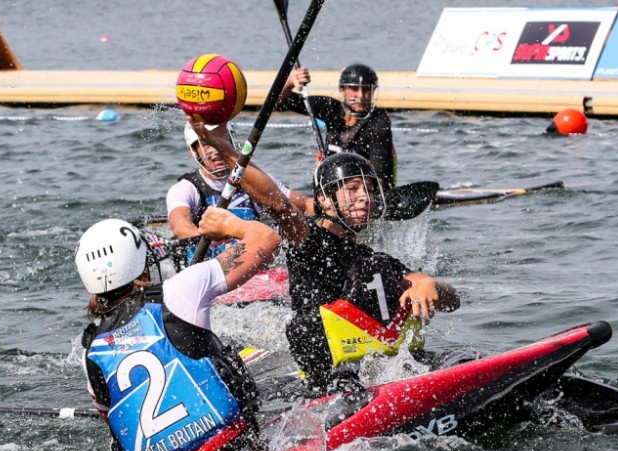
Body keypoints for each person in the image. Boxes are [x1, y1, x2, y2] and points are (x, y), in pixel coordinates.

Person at [191, 121, 459, 395]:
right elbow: (276, 203)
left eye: (368, 189)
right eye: (352, 189)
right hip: (326, 375)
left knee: (377, 266)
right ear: (325, 199)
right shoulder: (308, 241)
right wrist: (225, 148)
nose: (365, 198)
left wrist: (428, 283)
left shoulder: (372, 258)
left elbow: (453, 300)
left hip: (375, 367)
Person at [74, 208, 281, 451]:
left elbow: (114, 421)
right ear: (141, 262)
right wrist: (229, 224)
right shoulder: (179, 290)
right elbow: (267, 238)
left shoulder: (90, 350)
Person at [166, 121, 311, 270]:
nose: (215, 149)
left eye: (218, 140)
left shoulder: (254, 181)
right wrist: (210, 236)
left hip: (252, 269)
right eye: (206, 144)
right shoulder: (185, 188)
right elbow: (180, 226)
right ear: (194, 152)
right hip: (211, 270)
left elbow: (304, 204)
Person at [277, 63, 397, 192]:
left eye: (367, 90)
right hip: (331, 188)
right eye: (354, 89)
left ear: (373, 91)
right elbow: (279, 103)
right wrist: (289, 81)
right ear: (342, 89)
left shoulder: (379, 122)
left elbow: (380, 175)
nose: (361, 96)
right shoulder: (331, 109)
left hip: (367, 192)